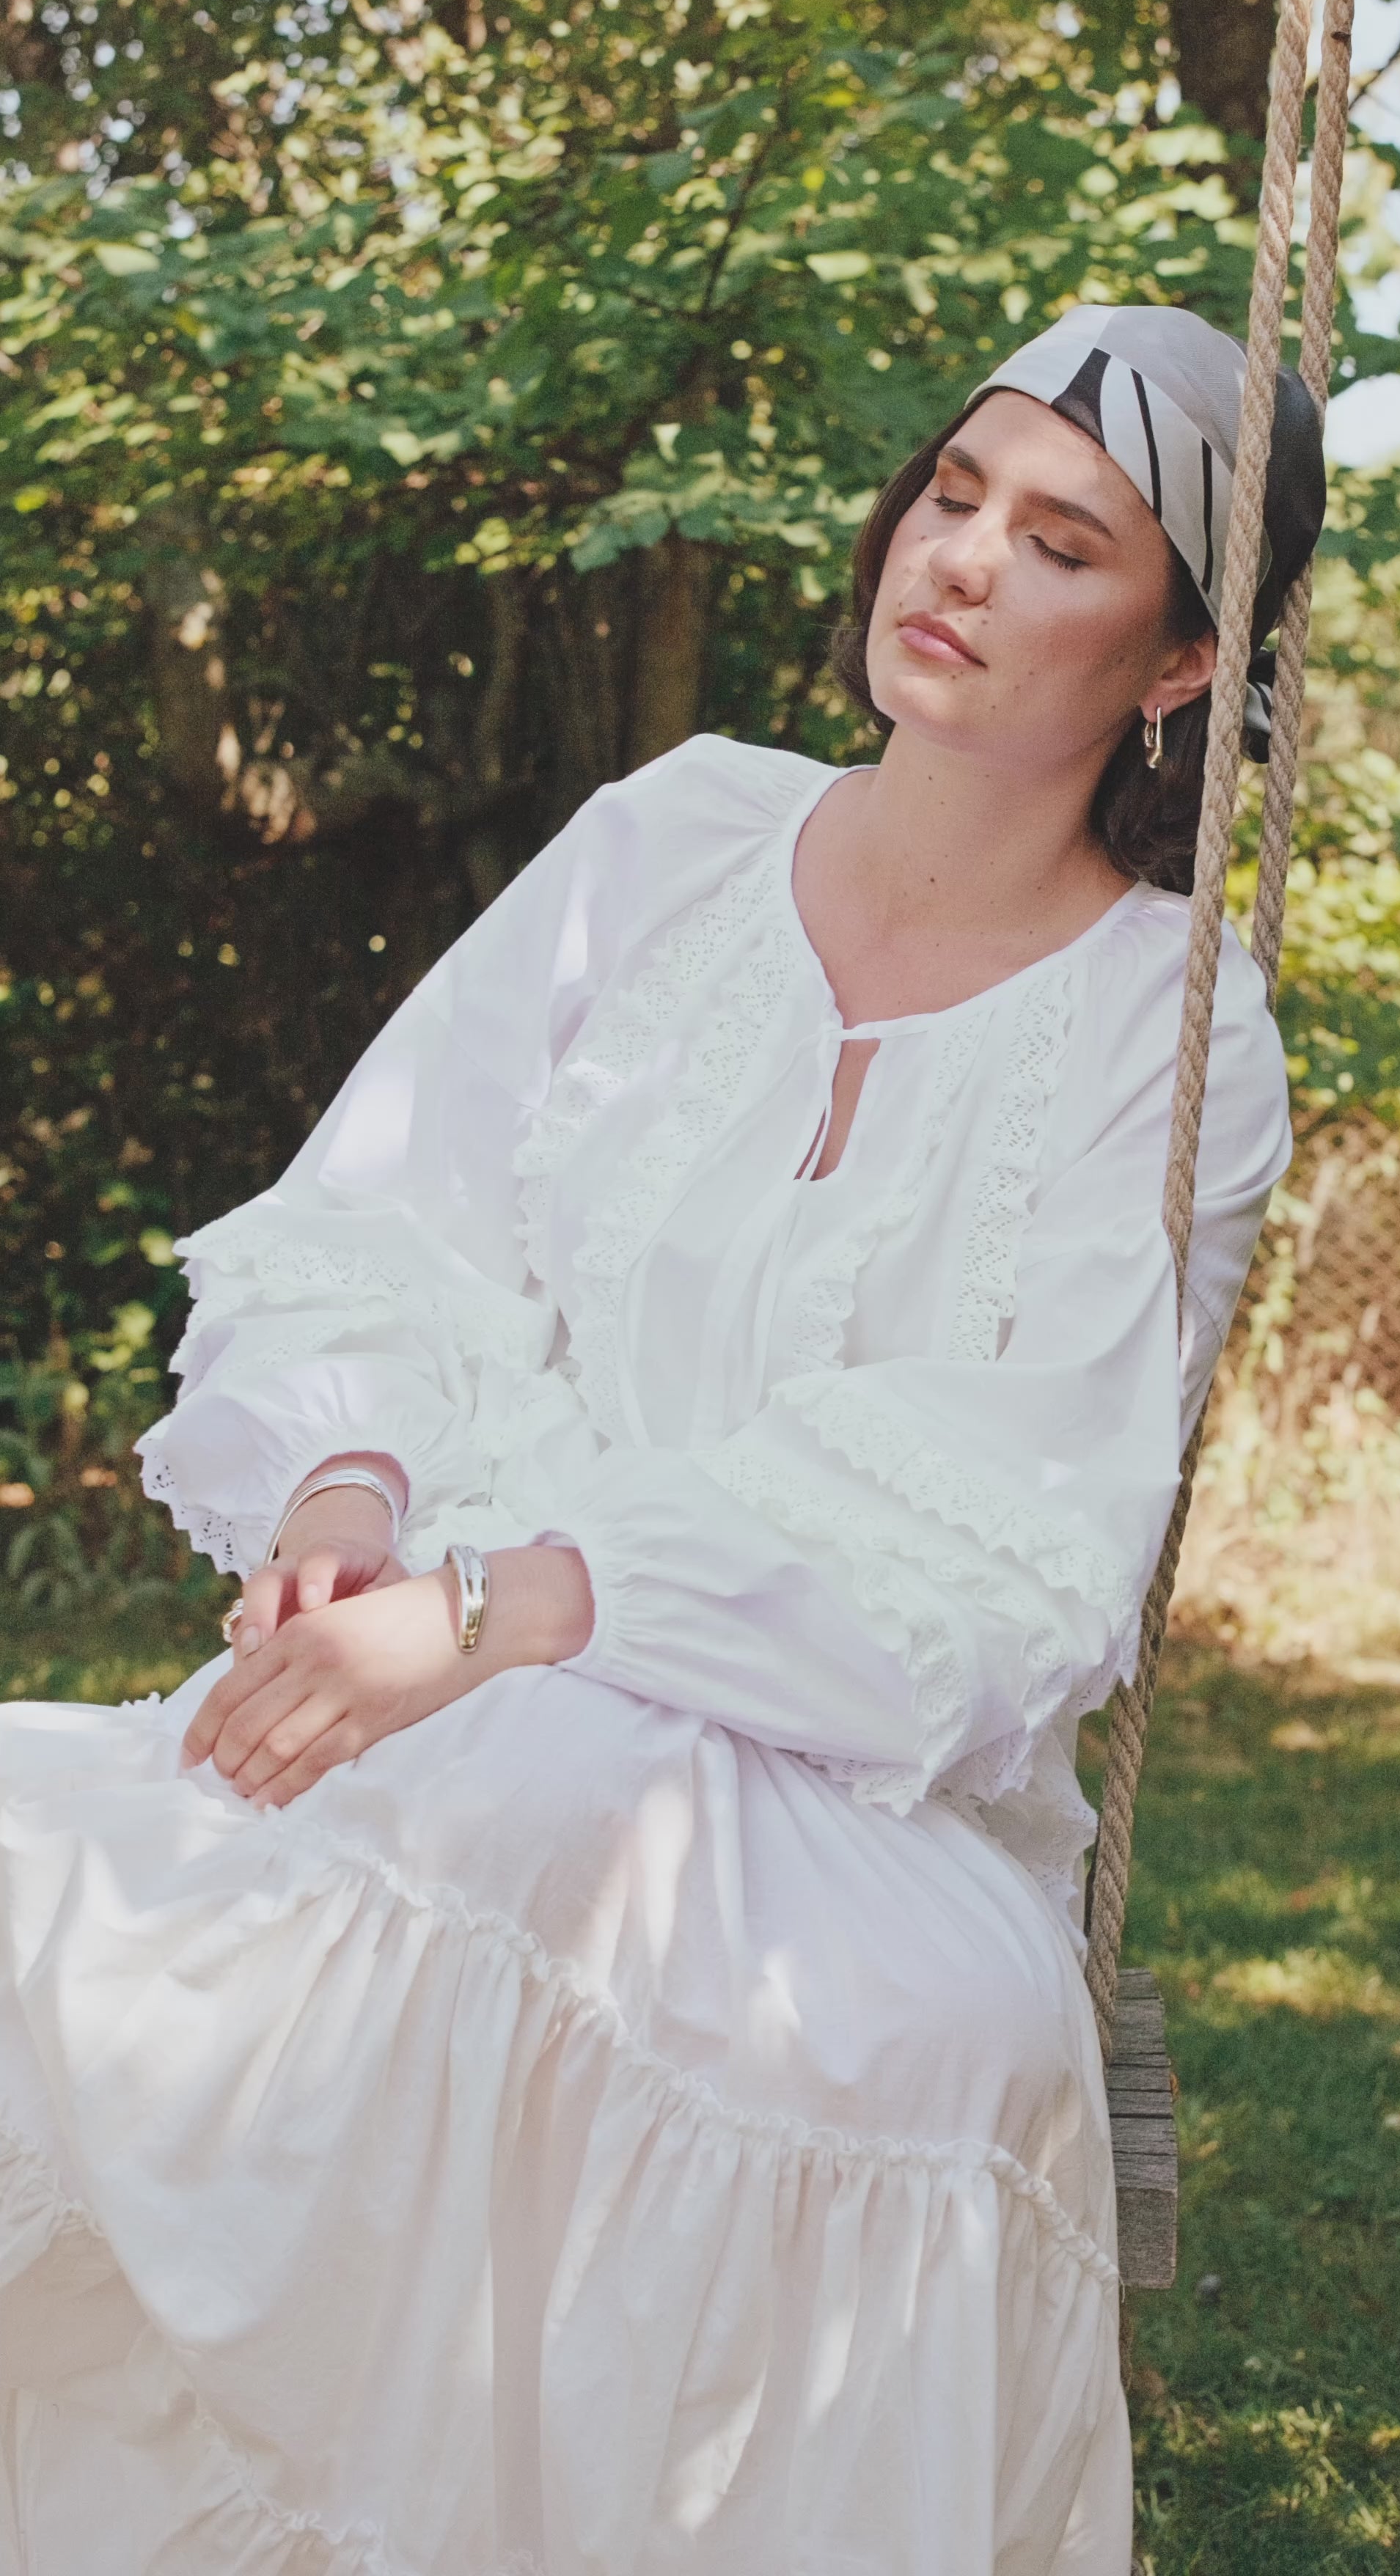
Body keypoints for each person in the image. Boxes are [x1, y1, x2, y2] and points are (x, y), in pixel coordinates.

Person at [0, 304, 1322, 2575]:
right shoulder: (678, 834)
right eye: (956, 493)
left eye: (1064, 545)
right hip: (449, 1659)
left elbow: (1011, 1539)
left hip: (846, 1787)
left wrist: (516, 1605)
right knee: (82, 1876)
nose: (963, 560)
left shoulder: (1174, 1039)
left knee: (813, 2007)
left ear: (1180, 665)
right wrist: (352, 1483)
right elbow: (401, 1217)